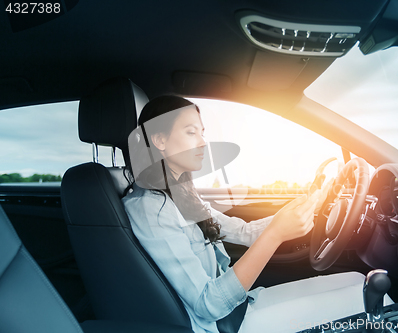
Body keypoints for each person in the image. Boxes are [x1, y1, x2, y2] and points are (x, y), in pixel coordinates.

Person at [122, 95, 374, 333]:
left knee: (356, 280)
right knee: (369, 299)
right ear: (160, 141)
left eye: (202, 133)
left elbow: (243, 232)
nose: (202, 143)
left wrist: (314, 203)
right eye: (191, 132)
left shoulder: (181, 193)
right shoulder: (152, 208)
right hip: (224, 325)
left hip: (239, 307)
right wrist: (275, 234)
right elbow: (208, 304)